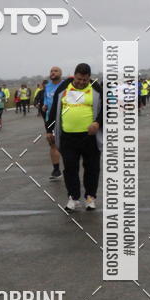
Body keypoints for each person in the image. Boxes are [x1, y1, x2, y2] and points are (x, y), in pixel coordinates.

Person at [46, 63, 103, 212]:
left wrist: (98, 122)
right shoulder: (64, 87)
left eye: (85, 80)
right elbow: (53, 110)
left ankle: (90, 197)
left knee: (92, 168)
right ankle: (73, 197)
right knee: (70, 168)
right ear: (74, 75)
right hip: (68, 137)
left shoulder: (96, 88)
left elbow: (107, 108)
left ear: (89, 78)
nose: (81, 82)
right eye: (79, 79)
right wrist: (49, 130)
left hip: (89, 138)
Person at [42, 66, 63, 181]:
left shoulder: (65, 85)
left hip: (64, 118)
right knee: (51, 142)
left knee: (65, 144)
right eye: (51, 71)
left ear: (60, 73)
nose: (53, 73)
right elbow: (46, 99)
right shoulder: (47, 87)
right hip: (50, 118)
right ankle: (56, 170)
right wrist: (44, 105)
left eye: (55, 71)